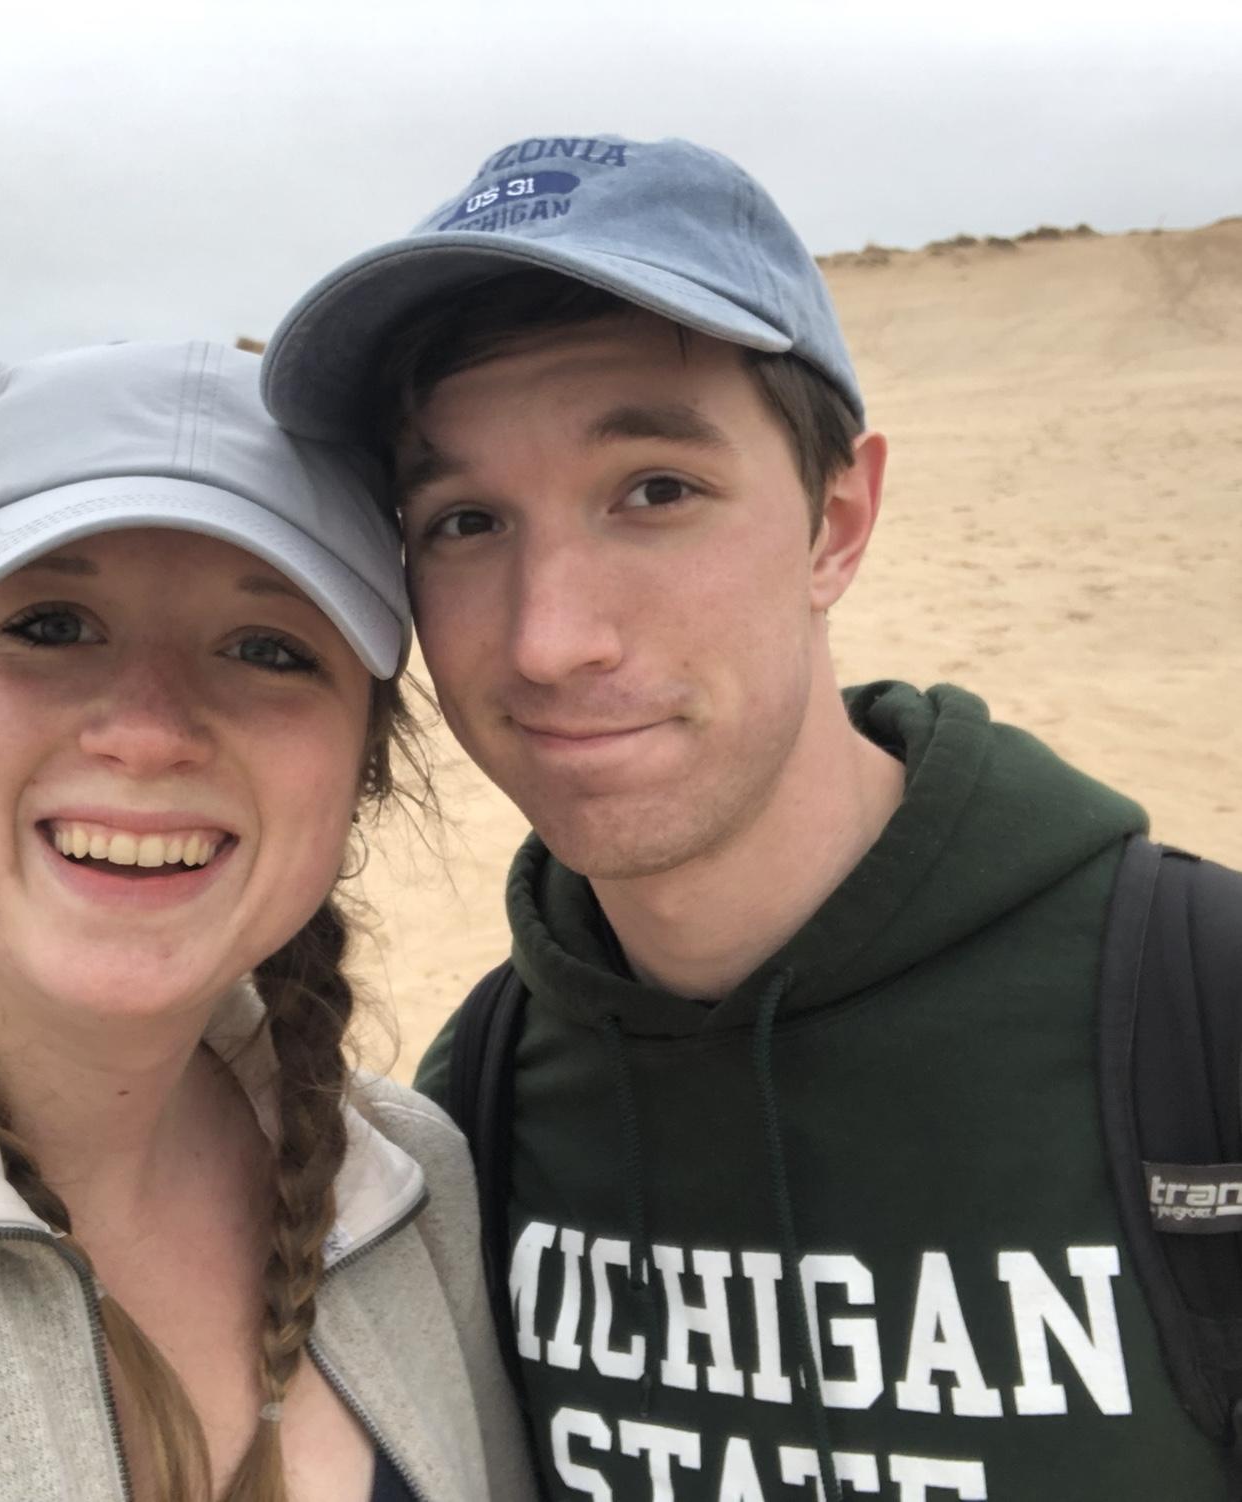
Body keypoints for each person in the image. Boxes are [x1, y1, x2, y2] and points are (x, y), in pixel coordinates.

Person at [257, 137, 1236, 1499]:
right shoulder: (480, 1097)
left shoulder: (1199, 1016)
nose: (547, 640)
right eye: (465, 520)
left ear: (836, 520)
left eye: (655, 490)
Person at [0, 340, 536, 1502]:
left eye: (266, 649)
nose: (147, 732)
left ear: (358, 770)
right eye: (52, 625)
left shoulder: (415, 1184)